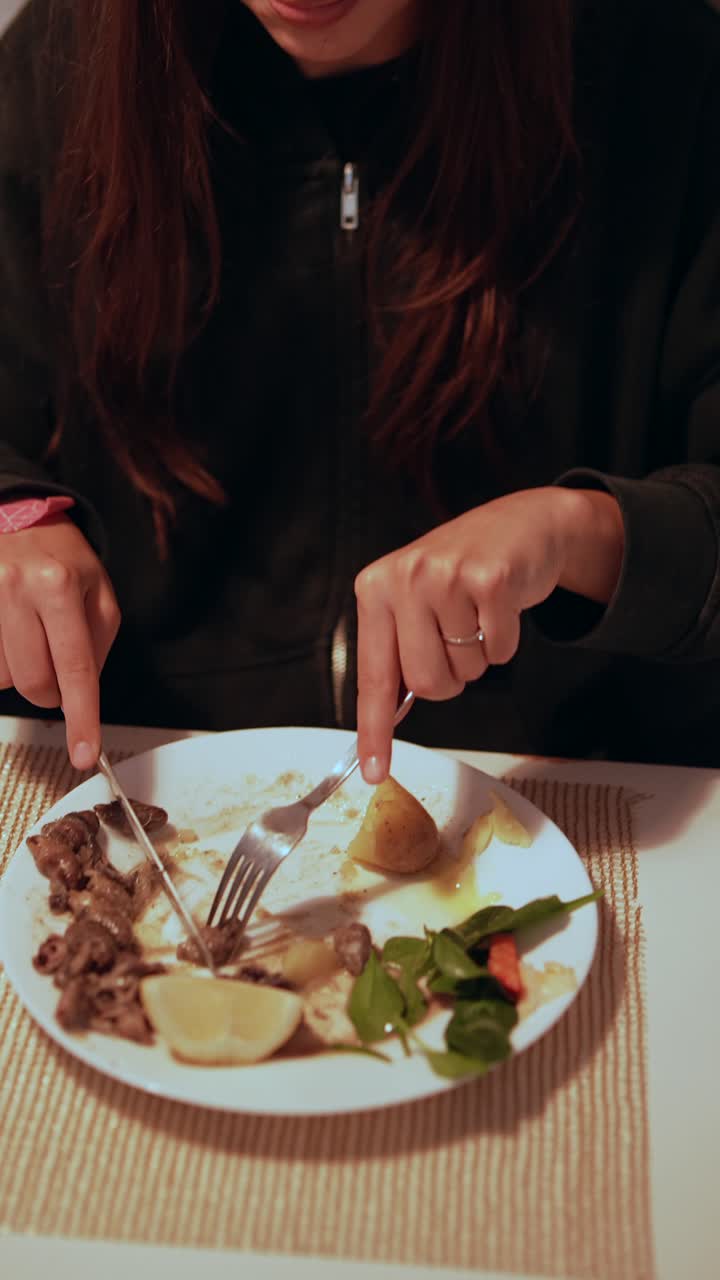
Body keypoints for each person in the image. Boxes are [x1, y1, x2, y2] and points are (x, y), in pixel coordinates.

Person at [0, 0, 718, 782]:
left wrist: (586, 535)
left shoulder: (666, 71)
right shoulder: (64, 60)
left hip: (578, 792)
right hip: (142, 787)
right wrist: (14, 511)